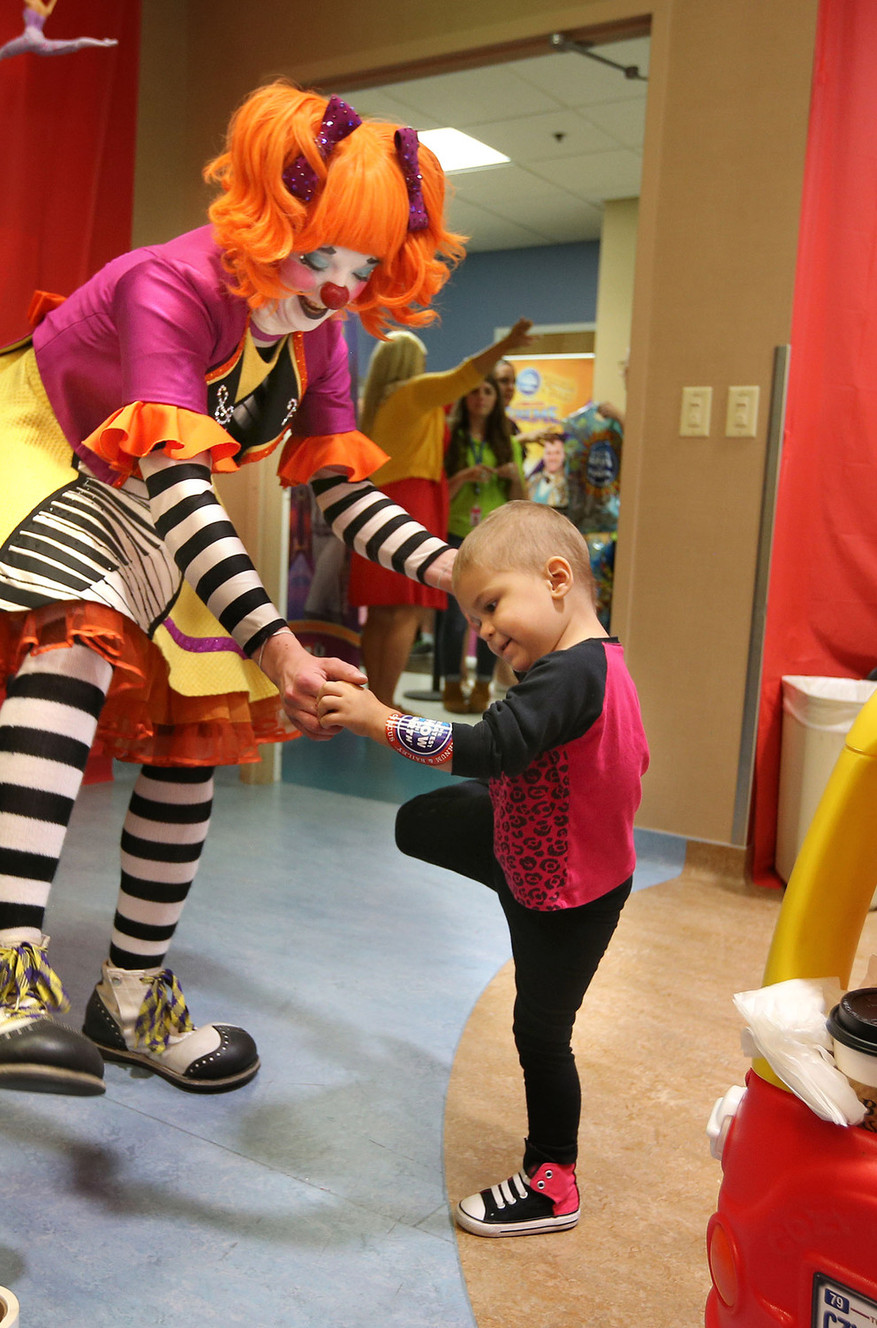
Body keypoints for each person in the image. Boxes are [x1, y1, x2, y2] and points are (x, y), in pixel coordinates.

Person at [0, 82, 466, 1098]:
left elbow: (340, 493)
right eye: (323, 257)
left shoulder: (318, 336)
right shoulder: (168, 286)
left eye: (363, 268)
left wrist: (453, 566)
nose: (340, 289)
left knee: (193, 716)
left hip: (140, 481)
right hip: (39, 442)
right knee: (78, 633)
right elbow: (178, 480)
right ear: (274, 220)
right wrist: (278, 644)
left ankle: (130, 995)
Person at [317, 501, 649, 1237]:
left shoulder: (566, 678)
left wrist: (379, 718)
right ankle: (496, 852)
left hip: (563, 895)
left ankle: (551, 1180)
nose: (484, 630)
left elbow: (486, 749)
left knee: (540, 1033)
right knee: (418, 822)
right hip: (533, 845)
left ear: (556, 578)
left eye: (492, 605)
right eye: (473, 617)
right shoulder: (596, 661)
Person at [347, 319, 533, 709]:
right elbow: (465, 376)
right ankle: (383, 703)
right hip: (412, 502)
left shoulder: (382, 403)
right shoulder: (413, 393)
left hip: (376, 501)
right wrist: (506, 346)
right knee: (406, 611)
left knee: (382, 613)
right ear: (409, 363)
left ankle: (377, 700)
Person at [440, 375, 526, 714]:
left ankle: (482, 685)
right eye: (474, 390)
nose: (481, 397)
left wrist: (513, 476)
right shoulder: (451, 440)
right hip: (456, 534)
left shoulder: (508, 442)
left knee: (494, 617)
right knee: (455, 618)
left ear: (497, 399)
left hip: (495, 540)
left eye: (488, 391)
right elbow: (441, 495)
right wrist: (464, 476)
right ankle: (451, 683)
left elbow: (522, 501)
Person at [0, 0, 117, 68]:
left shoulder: (32, 3)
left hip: (28, 39)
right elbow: (50, 8)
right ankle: (103, 43)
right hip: (41, 43)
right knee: (76, 43)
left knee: (0, 54)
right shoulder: (44, 10)